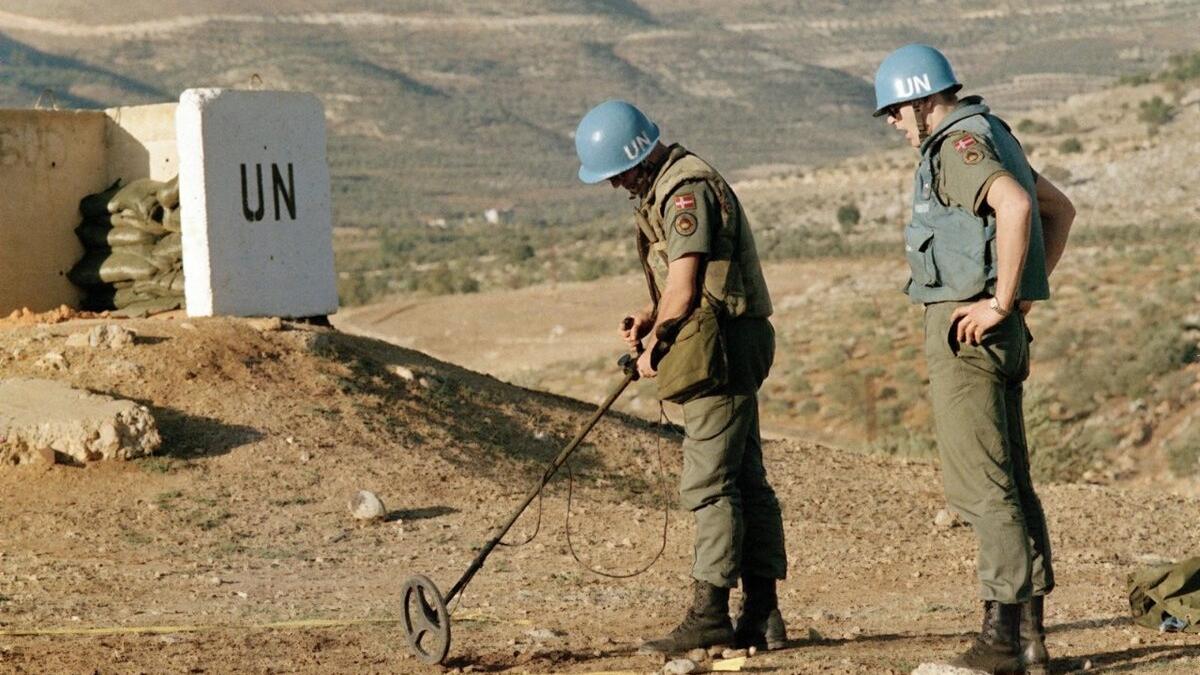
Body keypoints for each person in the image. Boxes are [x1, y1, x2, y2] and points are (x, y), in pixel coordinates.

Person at [873, 44, 1075, 674]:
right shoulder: (994, 132)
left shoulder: (957, 145)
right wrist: (1015, 297)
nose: (892, 123)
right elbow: (1059, 210)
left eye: (895, 110)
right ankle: (1033, 641)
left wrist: (1000, 299)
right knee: (1012, 482)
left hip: (969, 332)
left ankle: (1000, 640)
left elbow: (1017, 208)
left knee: (984, 487)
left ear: (920, 97)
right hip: (1000, 330)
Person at [573, 100, 788, 654]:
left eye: (617, 173)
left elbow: (688, 285)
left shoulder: (683, 192)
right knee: (744, 480)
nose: (617, 185)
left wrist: (657, 344)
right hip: (731, 340)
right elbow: (684, 283)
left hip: (720, 350)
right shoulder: (669, 186)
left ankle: (710, 615)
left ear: (636, 157)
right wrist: (650, 317)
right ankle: (762, 615)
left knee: (710, 484)